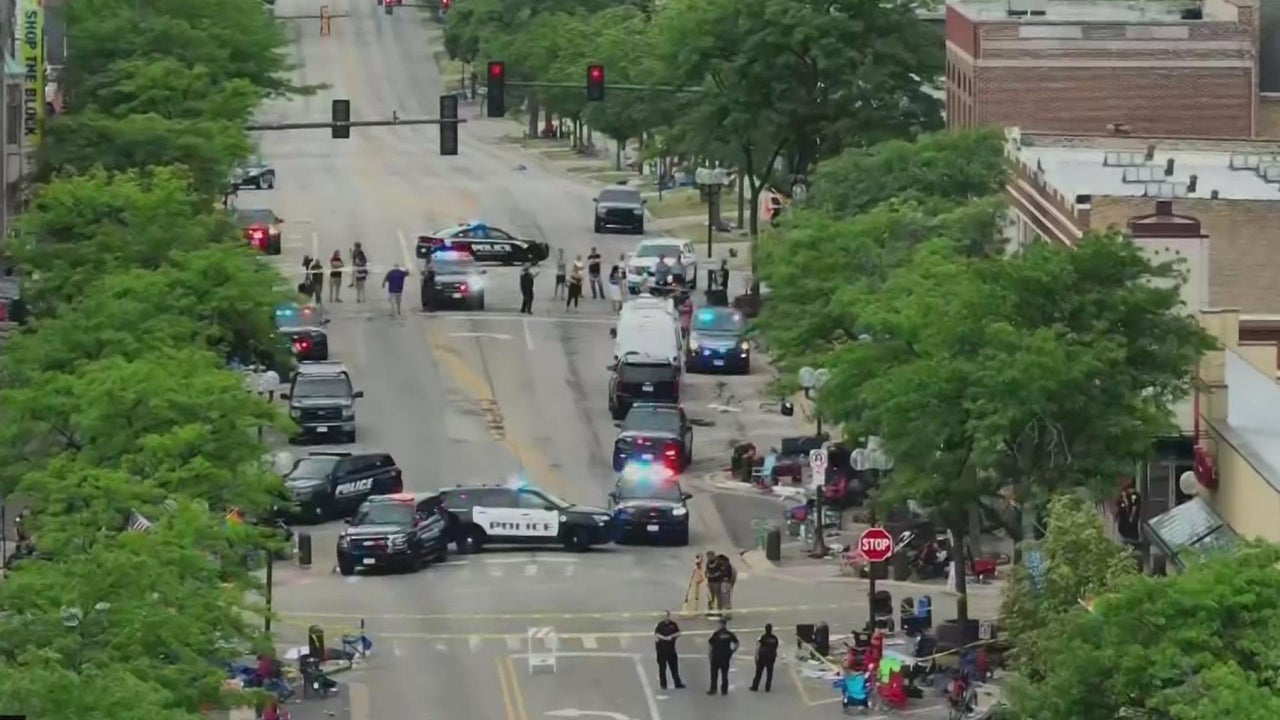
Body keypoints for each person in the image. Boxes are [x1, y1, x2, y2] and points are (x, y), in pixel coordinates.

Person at [653, 610, 685, 690]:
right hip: (661, 651)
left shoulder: (673, 624)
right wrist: (665, 638)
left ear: (668, 616)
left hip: (671, 650)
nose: (665, 617)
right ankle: (663, 685)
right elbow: (657, 634)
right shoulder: (660, 625)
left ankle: (677, 683)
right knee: (662, 668)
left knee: (674, 667)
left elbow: (679, 633)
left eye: (666, 616)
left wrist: (672, 636)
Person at [706, 619, 739, 695]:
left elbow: (711, 644)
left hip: (716, 656)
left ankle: (713, 689)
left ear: (721, 624)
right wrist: (732, 651)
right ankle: (724, 690)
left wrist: (710, 654)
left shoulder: (716, 634)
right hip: (725, 657)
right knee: (724, 674)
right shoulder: (729, 634)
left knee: (714, 674)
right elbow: (737, 643)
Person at [749, 624, 779, 692]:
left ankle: (755, 686)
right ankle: (767, 687)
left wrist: (756, 657)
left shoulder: (762, 637)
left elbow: (758, 647)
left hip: (762, 656)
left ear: (765, 629)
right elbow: (776, 646)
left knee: (758, 672)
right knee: (769, 673)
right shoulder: (775, 638)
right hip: (771, 656)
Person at [704, 551, 725, 616]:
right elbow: (706, 570)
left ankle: (719, 612)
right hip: (710, 582)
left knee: (718, 597)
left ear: (713, 556)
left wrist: (715, 575)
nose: (708, 558)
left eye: (709, 556)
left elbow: (721, 571)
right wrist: (706, 574)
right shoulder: (708, 563)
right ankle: (710, 611)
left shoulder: (719, 563)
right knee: (710, 597)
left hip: (717, 582)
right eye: (707, 557)